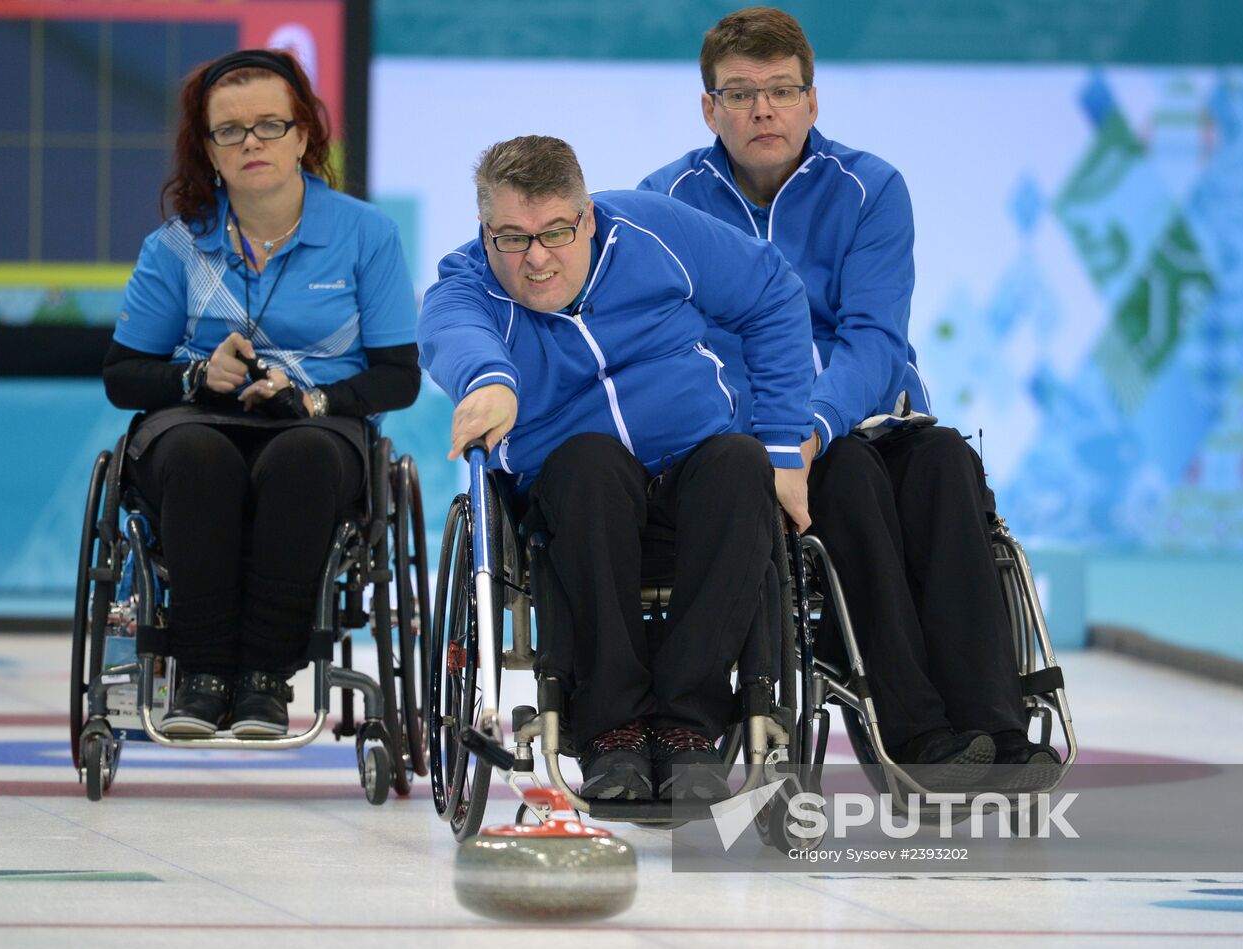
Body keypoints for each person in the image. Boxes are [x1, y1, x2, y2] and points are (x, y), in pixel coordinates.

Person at [640, 7, 1059, 770]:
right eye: (739, 94)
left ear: (812, 100)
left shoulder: (870, 188)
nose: (762, 109)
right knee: (852, 482)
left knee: (945, 467)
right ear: (709, 108)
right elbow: (677, 349)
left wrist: (817, 423)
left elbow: (875, 337)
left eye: (781, 90)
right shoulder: (665, 203)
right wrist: (780, 433)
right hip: (747, 434)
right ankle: (917, 732)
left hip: (862, 413)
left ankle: (995, 725)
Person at [418, 135, 813, 800]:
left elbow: (772, 290)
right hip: (578, 501)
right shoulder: (468, 286)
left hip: (695, 474)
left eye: (555, 233)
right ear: (486, 232)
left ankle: (689, 724)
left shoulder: (649, 229)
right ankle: (612, 729)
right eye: (512, 237)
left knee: (740, 463)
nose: (536, 258)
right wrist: (490, 383)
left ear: (588, 218)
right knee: (589, 464)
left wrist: (781, 446)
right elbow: (456, 335)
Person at [102, 49, 420, 738]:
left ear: (303, 135)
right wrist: (194, 377)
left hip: (316, 426)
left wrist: (313, 400)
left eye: (270, 125)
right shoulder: (178, 245)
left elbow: (400, 376)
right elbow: (124, 375)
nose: (252, 142)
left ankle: (264, 682)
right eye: (230, 131)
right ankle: (204, 673)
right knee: (196, 455)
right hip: (194, 425)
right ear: (208, 151)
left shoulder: (366, 235)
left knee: (302, 457)